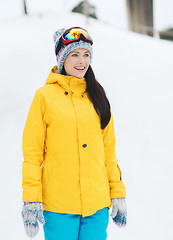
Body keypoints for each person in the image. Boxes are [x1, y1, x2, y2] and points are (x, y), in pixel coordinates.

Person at [21, 26, 127, 240]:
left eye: (86, 55)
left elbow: (108, 153)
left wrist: (117, 192)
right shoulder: (44, 97)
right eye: (75, 54)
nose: (82, 61)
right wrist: (31, 198)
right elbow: (32, 155)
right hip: (59, 206)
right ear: (62, 59)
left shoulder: (98, 97)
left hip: (96, 207)